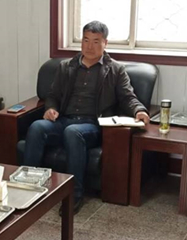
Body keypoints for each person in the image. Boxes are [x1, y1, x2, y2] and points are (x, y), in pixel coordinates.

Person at [23, 21, 150, 214]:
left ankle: (74, 194)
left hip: (92, 124)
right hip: (64, 120)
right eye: (86, 40)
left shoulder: (115, 70)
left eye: (96, 41)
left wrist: (139, 110)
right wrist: (51, 108)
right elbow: (53, 95)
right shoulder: (66, 67)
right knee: (37, 127)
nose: (89, 46)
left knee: (73, 132)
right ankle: (27, 188)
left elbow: (127, 97)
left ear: (105, 43)